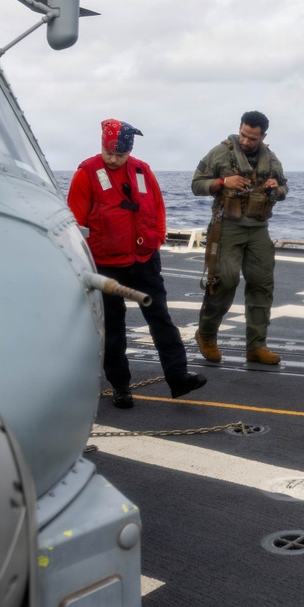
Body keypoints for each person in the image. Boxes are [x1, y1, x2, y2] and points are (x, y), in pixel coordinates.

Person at [68, 119, 206, 408]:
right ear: (102, 146)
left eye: (120, 155)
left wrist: (156, 239)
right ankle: (120, 387)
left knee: (162, 321)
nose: (113, 159)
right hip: (105, 265)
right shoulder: (86, 173)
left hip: (144, 261)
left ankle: (179, 378)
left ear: (130, 151)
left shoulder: (143, 170)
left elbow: (157, 207)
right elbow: (75, 223)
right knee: (113, 328)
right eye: (109, 153)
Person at [191, 111, 288, 365]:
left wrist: (276, 188)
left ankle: (256, 345)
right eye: (243, 135)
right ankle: (206, 335)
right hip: (227, 227)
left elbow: (284, 188)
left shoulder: (271, 158)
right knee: (224, 280)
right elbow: (197, 185)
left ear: (263, 136)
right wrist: (223, 181)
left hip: (258, 228)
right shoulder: (219, 153)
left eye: (252, 138)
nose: (246, 141)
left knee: (262, 284)